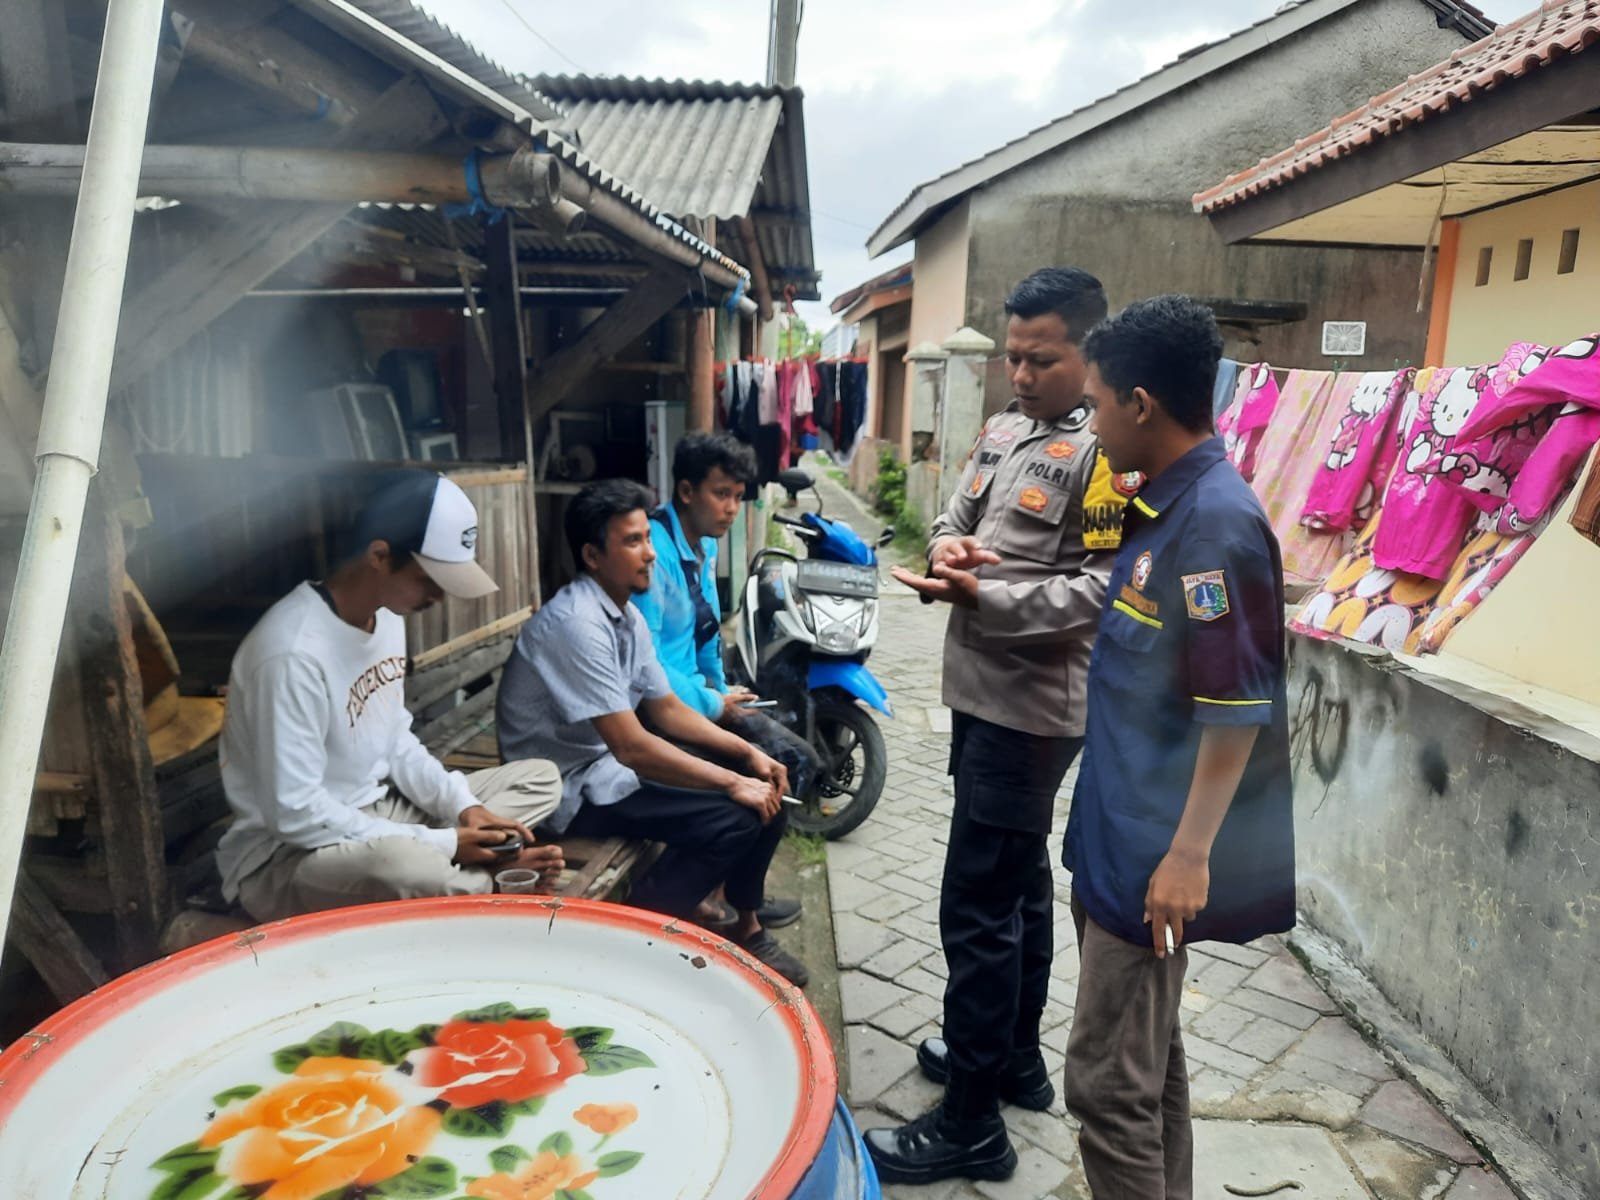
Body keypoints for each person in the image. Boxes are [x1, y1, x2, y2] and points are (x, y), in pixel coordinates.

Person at [872, 267, 1132, 1185]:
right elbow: (957, 515)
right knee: (1015, 884)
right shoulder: (1003, 429)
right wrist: (947, 546)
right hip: (979, 692)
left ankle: (972, 1121)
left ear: (1089, 352)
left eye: (1041, 359)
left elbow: (1104, 591)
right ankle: (1014, 1060)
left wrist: (989, 598)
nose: (1020, 374)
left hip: (1033, 709)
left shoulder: (1107, 452)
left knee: (975, 904)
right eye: (1013, 357)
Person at [1065, 294, 1295, 1197]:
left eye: (1095, 404)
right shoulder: (1164, 508)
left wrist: (1189, 855)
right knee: (1147, 1066)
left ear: (1141, 403)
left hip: (1153, 856)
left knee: (1105, 1085)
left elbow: (1234, 707)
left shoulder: (1212, 527)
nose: (1091, 425)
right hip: (1117, 835)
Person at [495, 478, 810, 987]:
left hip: (604, 766)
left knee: (769, 782)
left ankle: (742, 922)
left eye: (647, 537)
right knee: (735, 817)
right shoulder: (577, 623)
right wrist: (732, 781)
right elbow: (632, 746)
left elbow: (665, 708)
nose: (649, 554)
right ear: (592, 556)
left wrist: (747, 755)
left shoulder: (623, 614)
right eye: (632, 541)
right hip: (567, 788)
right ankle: (635, 933)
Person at [216, 471, 565, 923]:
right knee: (399, 865)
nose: (439, 596)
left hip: (384, 812)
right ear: (379, 556)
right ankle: (493, 884)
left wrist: (465, 808)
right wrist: (445, 842)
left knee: (541, 778)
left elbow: (395, 738)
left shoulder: (387, 619)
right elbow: (295, 813)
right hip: (288, 856)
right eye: (429, 579)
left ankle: (461, 871)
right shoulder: (291, 654)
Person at [632, 431, 820, 931]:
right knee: (774, 769)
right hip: (659, 711)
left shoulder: (705, 544)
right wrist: (715, 704)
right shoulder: (653, 552)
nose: (732, 508)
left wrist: (721, 689)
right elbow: (647, 662)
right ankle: (727, 902)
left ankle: (735, 892)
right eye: (721, 494)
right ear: (687, 491)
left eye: (738, 496)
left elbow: (707, 631)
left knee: (795, 761)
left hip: (698, 697)